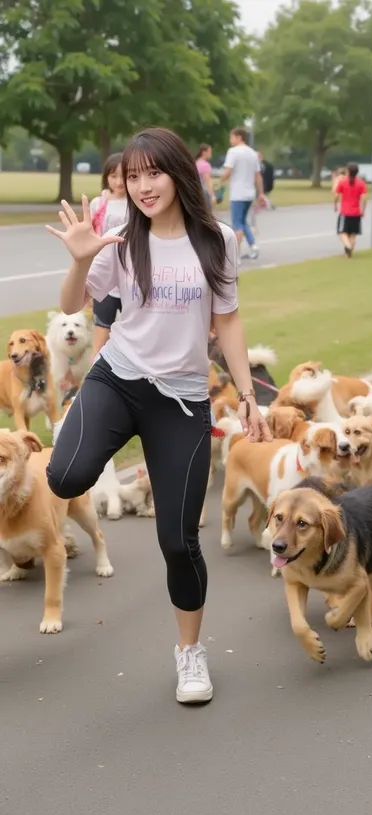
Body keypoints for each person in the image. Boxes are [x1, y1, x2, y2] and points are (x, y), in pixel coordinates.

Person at [45, 126, 272, 706]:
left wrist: (247, 394)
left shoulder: (217, 240)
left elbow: (229, 321)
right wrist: (78, 259)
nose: (143, 186)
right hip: (117, 380)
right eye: (134, 175)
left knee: (177, 539)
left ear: (178, 174)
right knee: (66, 477)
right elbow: (74, 305)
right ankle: (81, 416)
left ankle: (190, 654)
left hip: (182, 400)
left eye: (154, 173)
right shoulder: (119, 240)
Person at [89, 153, 128, 357]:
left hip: (131, 276)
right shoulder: (98, 203)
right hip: (105, 274)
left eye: (124, 176)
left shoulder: (137, 202)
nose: (119, 182)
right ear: (106, 177)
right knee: (101, 333)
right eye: (113, 176)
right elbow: (90, 237)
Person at [220, 127, 265, 262]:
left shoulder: (233, 152)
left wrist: (220, 181)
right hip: (249, 193)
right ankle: (253, 245)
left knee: (237, 224)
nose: (230, 140)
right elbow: (258, 176)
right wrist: (261, 193)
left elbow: (228, 171)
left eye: (231, 137)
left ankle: (235, 256)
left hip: (238, 193)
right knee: (243, 221)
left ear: (239, 137)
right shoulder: (253, 153)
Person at [333, 162, 367, 257]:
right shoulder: (361, 183)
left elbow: (336, 195)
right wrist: (363, 210)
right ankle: (348, 254)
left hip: (345, 212)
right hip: (356, 212)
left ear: (347, 171)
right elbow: (364, 198)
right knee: (352, 234)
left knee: (342, 232)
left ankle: (347, 246)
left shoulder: (343, 182)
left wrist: (335, 204)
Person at [195, 143, 216, 208]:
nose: (211, 154)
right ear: (204, 152)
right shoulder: (205, 165)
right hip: (204, 193)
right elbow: (208, 181)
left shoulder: (196, 162)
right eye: (209, 152)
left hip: (196, 192)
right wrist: (212, 195)